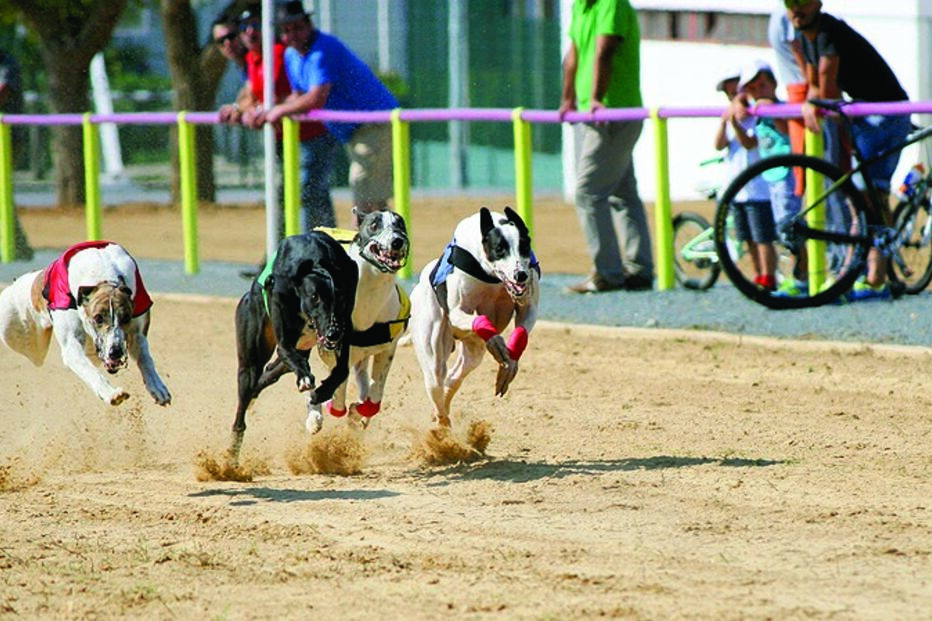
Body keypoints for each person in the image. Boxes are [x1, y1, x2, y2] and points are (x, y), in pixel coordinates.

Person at [786, 0, 911, 300]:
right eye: (789, 3)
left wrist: (814, 104)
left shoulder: (828, 31)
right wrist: (812, 101)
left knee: (867, 195)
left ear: (817, 3)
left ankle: (869, 279)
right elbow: (815, 87)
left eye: (802, 2)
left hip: (884, 112)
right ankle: (869, 275)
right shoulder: (806, 36)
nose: (795, 9)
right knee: (868, 195)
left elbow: (827, 91)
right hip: (864, 113)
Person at [260, 0, 399, 228]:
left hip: (373, 123)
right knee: (371, 198)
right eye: (286, 30)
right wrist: (265, 110)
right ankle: (385, 243)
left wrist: (279, 111)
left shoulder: (323, 49)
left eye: (297, 27)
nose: (292, 35)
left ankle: (365, 247)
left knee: (364, 194)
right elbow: (298, 96)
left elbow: (316, 97)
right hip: (351, 131)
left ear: (309, 25)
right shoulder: (291, 55)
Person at [558, 0, 654, 294]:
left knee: (588, 192)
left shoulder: (611, 3)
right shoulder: (581, 7)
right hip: (600, 113)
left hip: (612, 113)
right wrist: (568, 98)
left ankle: (608, 274)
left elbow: (605, 49)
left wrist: (596, 97)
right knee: (623, 193)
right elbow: (574, 53)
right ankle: (639, 270)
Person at [218, 3, 338, 236]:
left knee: (310, 192)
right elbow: (250, 95)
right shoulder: (253, 59)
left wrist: (261, 108)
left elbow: (294, 95)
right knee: (285, 194)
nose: (250, 32)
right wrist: (241, 108)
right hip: (285, 137)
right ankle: (282, 247)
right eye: (244, 27)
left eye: (255, 25)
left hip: (310, 135)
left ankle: (321, 247)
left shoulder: (280, 54)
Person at [733, 60, 806, 293]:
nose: (759, 92)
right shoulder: (757, 114)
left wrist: (772, 110)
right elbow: (750, 143)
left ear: (774, 84)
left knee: (790, 226)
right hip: (771, 177)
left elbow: (787, 131)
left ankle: (803, 277)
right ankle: (798, 276)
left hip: (787, 173)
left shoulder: (782, 107)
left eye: (762, 85)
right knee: (782, 229)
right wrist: (736, 117)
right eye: (752, 89)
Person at [715, 67, 778, 291]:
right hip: (737, 190)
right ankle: (758, 275)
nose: (732, 98)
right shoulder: (732, 117)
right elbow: (719, 145)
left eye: (735, 92)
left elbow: (750, 144)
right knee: (748, 238)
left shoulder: (755, 115)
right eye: (728, 94)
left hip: (758, 189)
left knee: (763, 237)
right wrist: (724, 123)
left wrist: (734, 123)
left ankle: (769, 277)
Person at [0, 47, 33, 261]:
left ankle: (17, 246)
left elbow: (3, 91)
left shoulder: (6, 62)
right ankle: (16, 245)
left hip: (7, 137)